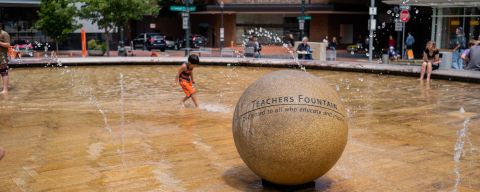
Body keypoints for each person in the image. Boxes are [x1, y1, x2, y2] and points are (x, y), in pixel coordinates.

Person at [0, 23, 10, 94]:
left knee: (4, 72)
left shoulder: (4, 34)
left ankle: (5, 90)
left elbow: (8, 45)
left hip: (2, 56)